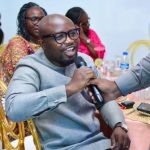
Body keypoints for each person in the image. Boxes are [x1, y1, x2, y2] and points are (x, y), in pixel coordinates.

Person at [5, 14, 130, 150]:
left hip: (98, 142)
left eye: (73, 33)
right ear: (42, 42)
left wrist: (118, 124)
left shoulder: (84, 61)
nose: (70, 41)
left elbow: (103, 98)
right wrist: (69, 89)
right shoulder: (31, 67)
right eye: (60, 37)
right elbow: (14, 109)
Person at [0, 2, 47, 84]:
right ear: (23, 21)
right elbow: (24, 75)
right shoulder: (17, 43)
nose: (39, 23)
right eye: (34, 19)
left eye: (42, 19)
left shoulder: (46, 42)